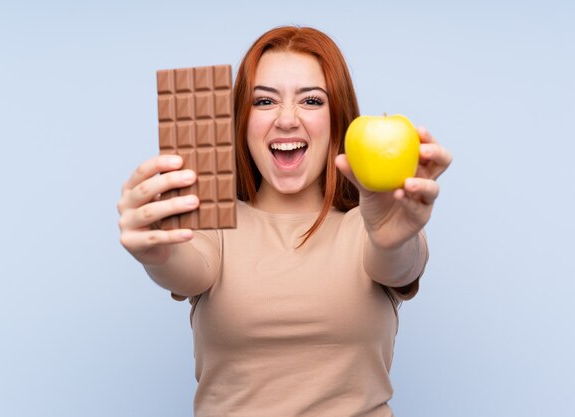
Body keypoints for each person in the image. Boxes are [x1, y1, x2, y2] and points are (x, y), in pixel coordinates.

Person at [118, 26, 452, 417]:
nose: (287, 120)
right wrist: (154, 251)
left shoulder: (375, 225)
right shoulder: (212, 227)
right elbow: (183, 267)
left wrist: (392, 239)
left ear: (338, 119)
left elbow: (399, 263)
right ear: (240, 121)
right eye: (264, 102)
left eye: (311, 100)